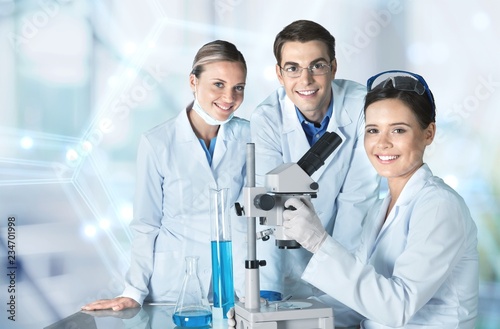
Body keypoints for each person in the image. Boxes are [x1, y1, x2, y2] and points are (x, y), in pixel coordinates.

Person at [280, 71, 479, 328]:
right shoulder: (379, 208)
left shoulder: (440, 206)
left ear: (429, 133)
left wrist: (319, 243)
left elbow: (397, 307)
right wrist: (276, 319)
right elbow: (358, 301)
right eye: (373, 130)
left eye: (398, 130)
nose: (382, 143)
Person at [82, 40, 250, 311]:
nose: (229, 97)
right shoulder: (157, 142)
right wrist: (134, 290)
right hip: (175, 285)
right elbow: (146, 224)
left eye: (238, 87)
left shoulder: (249, 137)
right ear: (193, 81)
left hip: (234, 283)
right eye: (218, 84)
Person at [234, 19, 380, 301]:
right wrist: (265, 297)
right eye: (293, 68)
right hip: (286, 263)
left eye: (317, 65)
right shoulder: (267, 118)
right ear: (279, 74)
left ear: (333, 67)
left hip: (347, 254)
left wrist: (341, 284)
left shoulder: (362, 106)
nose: (306, 80)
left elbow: (356, 200)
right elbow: (269, 205)